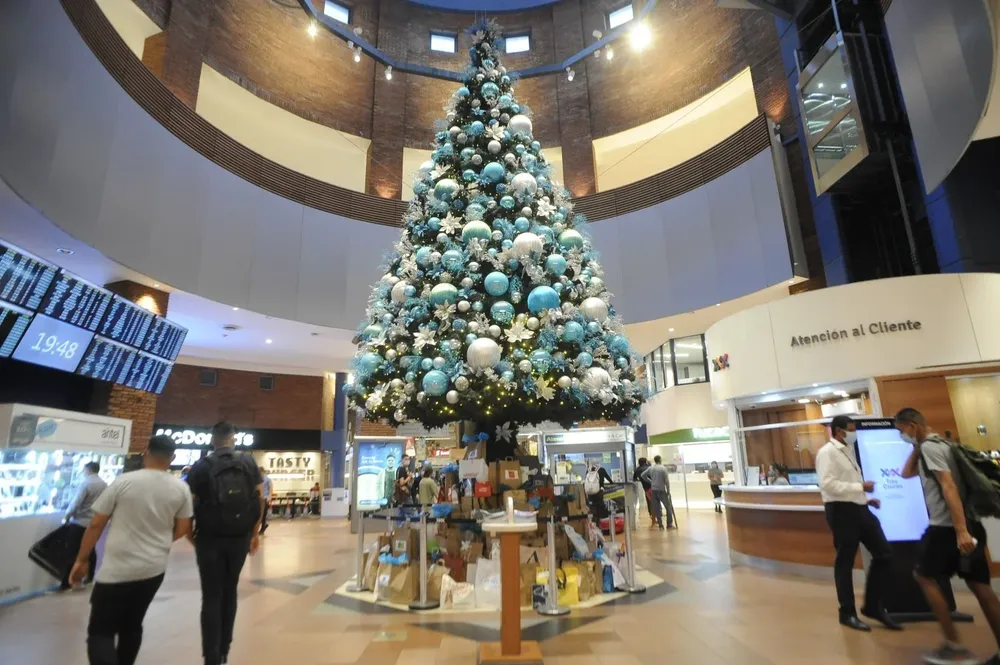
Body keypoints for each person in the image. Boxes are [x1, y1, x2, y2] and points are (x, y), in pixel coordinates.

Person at [69, 435, 193, 665]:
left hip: (117, 571)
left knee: (101, 631)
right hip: (153, 569)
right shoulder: (181, 488)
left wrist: (82, 559)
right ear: (173, 458)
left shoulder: (123, 481)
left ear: (145, 452)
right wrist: (160, 541)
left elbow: (97, 523)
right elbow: (184, 528)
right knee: (132, 625)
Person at [897, 408, 1000, 665]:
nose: (902, 436)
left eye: (902, 431)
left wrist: (960, 530)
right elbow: (906, 473)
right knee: (980, 586)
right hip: (971, 524)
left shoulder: (932, 449)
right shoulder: (940, 445)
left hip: (946, 528)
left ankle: (954, 646)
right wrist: (917, 445)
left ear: (911, 425)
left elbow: (948, 486)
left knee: (924, 575)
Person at [186, 422, 265, 665]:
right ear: (234, 438)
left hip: (209, 538)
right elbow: (260, 498)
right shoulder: (248, 463)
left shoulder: (201, 466)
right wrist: (255, 533)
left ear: (212, 440)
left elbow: (188, 505)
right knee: (230, 591)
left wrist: (192, 536)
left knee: (211, 596)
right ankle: (224, 650)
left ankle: (210, 655)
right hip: (239, 537)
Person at [815, 414, 898, 632]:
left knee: (884, 554)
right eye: (851, 429)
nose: (854, 433)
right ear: (840, 431)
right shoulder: (827, 453)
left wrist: (865, 499)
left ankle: (872, 606)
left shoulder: (847, 450)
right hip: (841, 513)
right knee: (845, 562)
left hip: (860, 508)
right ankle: (847, 613)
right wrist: (860, 489)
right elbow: (827, 485)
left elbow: (847, 483)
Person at [61, 461, 107, 589]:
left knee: (73, 552)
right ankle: (90, 577)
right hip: (94, 522)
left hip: (80, 522)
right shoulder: (104, 484)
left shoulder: (86, 483)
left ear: (88, 470)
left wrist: (67, 515)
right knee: (90, 549)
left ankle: (68, 583)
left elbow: (76, 503)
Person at [641, 456, 675, 530]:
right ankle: (669, 524)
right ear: (660, 460)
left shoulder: (651, 468)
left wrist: (651, 481)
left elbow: (642, 475)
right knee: (668, 507)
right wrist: (668, 491)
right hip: (661, 490)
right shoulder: (663, 468)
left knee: (657, 509)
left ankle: (660, 525)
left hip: (654, 490)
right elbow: (666, 481)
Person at [635, 457, 654, 525]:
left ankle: (651, 515)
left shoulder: (637, 469)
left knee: (649, 502)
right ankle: (657, 516)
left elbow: (634, 479)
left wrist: (641, 480)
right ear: (645, 461)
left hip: (646, 488)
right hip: (653, 486)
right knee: (656, 502)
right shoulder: (648, 467)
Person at [259, 469, 273, 534]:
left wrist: (269, 497)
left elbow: (270, 488)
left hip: (265, 498)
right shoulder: (257, 479)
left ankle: (262, 528)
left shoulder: (267, 479)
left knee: (264, 514)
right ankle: (263, 525)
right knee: (259, 514)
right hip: (259, 498)